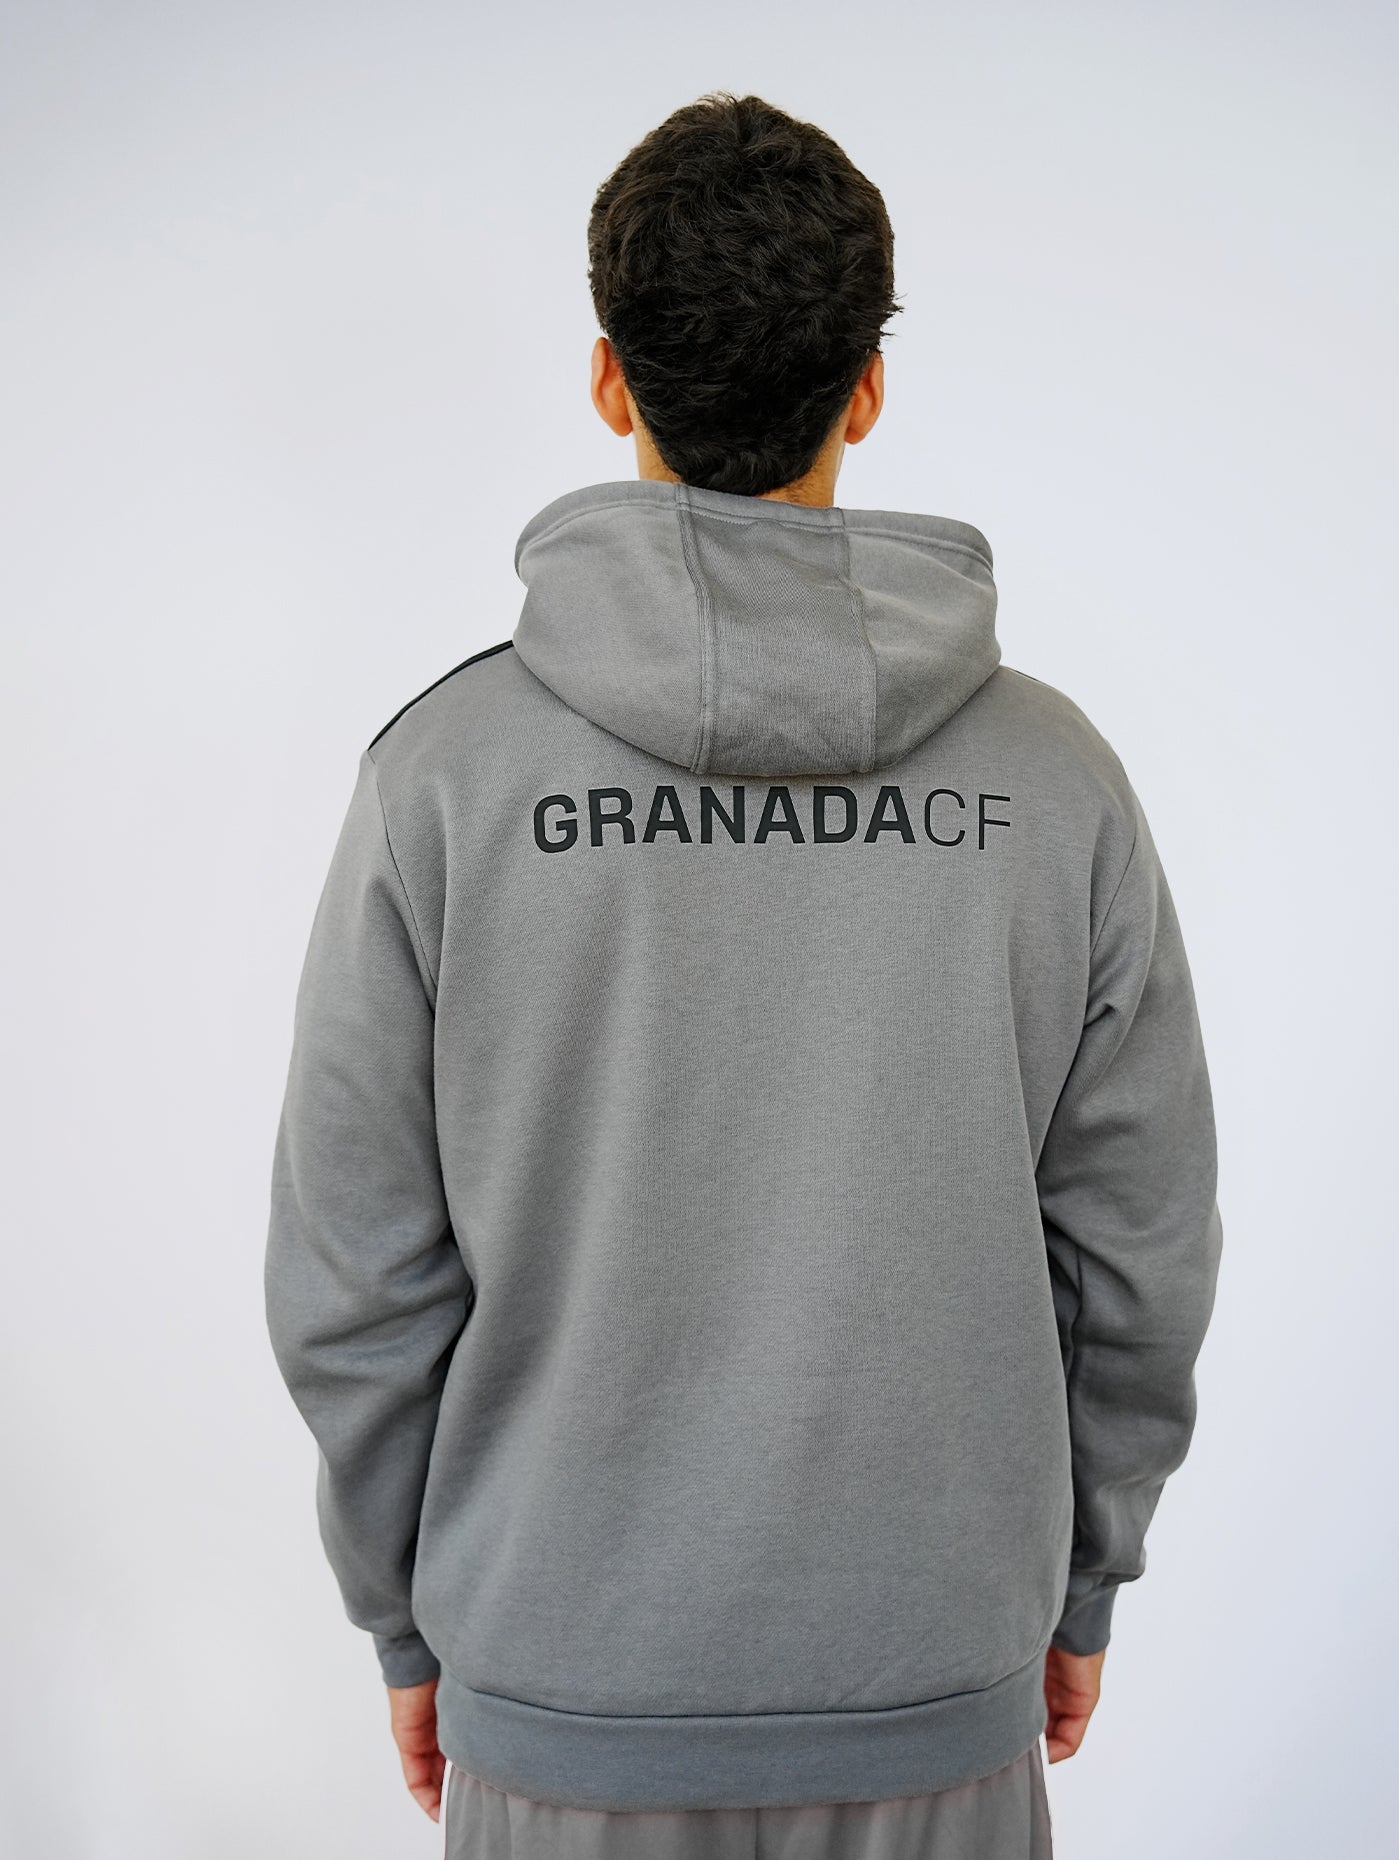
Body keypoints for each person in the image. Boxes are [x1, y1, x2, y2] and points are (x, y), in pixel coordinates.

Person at [264, 91, 1224, 1860]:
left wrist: (409, 1625)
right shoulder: (1057, 783)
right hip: (938, 1694)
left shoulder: (444, 783)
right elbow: (1138, 1251)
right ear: (866, 389)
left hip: (561, 1704)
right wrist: (1083, 1581)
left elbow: (356, 1279)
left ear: (609, 379)